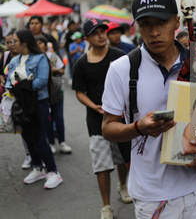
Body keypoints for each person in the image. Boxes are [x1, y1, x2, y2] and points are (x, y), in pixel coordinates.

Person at [102, 0, 196, 218]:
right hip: (152, 199)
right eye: (145, 23)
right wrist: (138, 128)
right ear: (136, 27)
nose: (154, 32)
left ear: (176, 22)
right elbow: (108, 128)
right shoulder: (121, 69)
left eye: (162, 22)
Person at [72, 18, 132, 219]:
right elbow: (79, 92)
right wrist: (94, 106)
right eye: (96, 32)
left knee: (123, 158)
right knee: (102, 164)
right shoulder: (81, 63)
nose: (101, 35)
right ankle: (106, 206)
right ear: (87, 38)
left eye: (103, 31)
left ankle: (123, 185)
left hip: (121, 117)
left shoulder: (120, 56)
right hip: (96, 121)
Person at [5, 29, 63, 189]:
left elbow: (42, 81)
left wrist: (21, 87)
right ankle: (37, 168)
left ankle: (53, 172)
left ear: (24, 42)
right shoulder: (14, 61)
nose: (12, 44)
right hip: (21, 106)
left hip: (39, 103)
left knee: (39, 138)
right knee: (27, 138)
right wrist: (19, 87)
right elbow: (9, 83)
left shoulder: (40, 58)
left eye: (15, 41)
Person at [35, 35, 72, 154]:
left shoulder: (53, 56)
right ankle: (51, 143)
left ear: (46, 46)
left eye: (40, 43)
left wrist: (53, 70)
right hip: (42, 95)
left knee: (58, 117)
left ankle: (62, 142)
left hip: (56, 92)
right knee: (47, 119)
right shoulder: (33, 59)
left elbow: (62, 70)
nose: (38, 45)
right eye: (36, 43)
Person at [1, 29, 32, 169]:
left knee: (34, 127)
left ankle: (39, 155)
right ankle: (29, 155)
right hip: (12, 97)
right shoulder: (6, 55)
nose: (10, 45)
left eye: (13, 42)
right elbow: (1, 72)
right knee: (22, 126)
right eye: (8, 42)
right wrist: (3, 81)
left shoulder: (27, 56)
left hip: (27, 97)